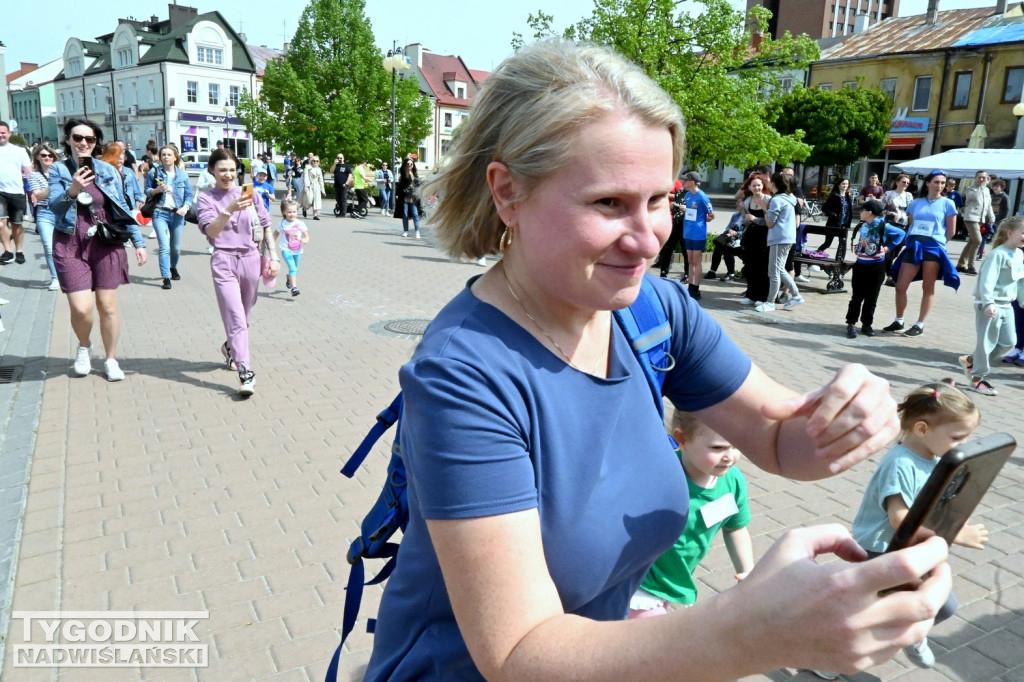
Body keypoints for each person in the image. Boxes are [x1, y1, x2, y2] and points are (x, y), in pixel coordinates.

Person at [363, 40, 951, 682]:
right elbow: (518, 656)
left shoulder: (650, 313)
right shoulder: (466, 375)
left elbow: (783, 440)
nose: (648, 239)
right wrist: (752, 632)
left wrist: (855, 409)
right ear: (508, 193)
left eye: (659, 199)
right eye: (609, 203)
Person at [848, 382, 984, 670]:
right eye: (958, 437)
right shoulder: (899, 464)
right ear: (923, 430)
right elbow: (900, 519)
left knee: (938, 606)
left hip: (911, 548)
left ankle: (906, 632)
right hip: (881, 550)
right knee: (880, 613)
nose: (962, 445)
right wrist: (955, 533)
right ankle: (838, 660)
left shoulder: (933, 457)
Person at [48, 118, 148, 381]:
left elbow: (121, 207)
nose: (83, 143)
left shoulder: (108, 170)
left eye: (89, 139)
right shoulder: (59, 170)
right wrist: (73, 188)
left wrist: (138, 242)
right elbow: (55, 207)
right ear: (68, 139)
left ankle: (111, 359)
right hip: (70, 241)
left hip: (105, 242)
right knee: (81, 308)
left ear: (95, 143)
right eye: (77, 138)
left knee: (108, 307)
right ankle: (84, 347)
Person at [628, 409, 753, 617]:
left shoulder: (733, 481)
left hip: (675, 582)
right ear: (682, 439)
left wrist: (749, 572)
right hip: (639, 583)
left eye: (736, 445)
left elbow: (735, 528)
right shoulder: (659, 475)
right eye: (718, 447)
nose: (730, 457)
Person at [195, 148, 279, 397]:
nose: (228, 175)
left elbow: (265, 225)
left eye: (232, 170)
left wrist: (273, 256)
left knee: (246, 313)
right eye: (222, 170)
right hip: (223, 261)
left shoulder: (248, 192)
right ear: (212, 170)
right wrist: (229, 208)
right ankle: (246, 372)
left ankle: (230, 348)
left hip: (251, 259)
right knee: (235, 316)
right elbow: (211, 231)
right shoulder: (206, 198)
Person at [883, 170, 960, 338]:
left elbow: (951, 231)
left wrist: (938, 243)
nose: (939, 185)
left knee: (928, 287)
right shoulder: (916, 203)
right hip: (914, 245)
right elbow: (911, 225)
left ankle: (919, 324)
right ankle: (899, 320)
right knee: (900, 286)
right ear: (927, 183)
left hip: (933, 248)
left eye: (942, 183)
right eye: (936, 182)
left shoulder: (948, 204)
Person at [956, 216, 1024, 396]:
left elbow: (1020, 282)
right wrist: (988, 303)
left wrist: (1022, 301)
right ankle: (977, 379)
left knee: (1009, 342)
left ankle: (971, 360)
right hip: (989, 305)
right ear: (1010, 233)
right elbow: (987, 282)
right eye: (1023, 232)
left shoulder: (1019, 254)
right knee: (986, 343)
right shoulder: (997, 254)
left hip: (1007, 305)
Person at [845, 200, 905, 339]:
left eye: (862, 210)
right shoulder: (863, 224)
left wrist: (888, 248)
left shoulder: (884, 225)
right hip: (860, 265)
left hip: (877, 266)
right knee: (857, 296)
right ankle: (851, 323)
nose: (860, 212)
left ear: (869, 212)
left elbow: (901, 234)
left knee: (871, 298)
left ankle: (867, 324)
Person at [144, 145, 194, 290]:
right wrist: (156, 190)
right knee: (164, 247)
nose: (166, 157)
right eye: (163, 154)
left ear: (175, 157)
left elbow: (189, 195)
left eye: (169, 154)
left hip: (177, 214)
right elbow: (147, 191)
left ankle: (173, 267)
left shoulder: (182, 175)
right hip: (160, 213)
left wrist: (186, 207)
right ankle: (166, 277)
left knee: (176, 248)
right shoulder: (155, 172)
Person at [761, 170, 802, 312]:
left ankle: (770, 302)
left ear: (774, 184)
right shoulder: (788, 198)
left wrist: (765, 210)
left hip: (779, 238)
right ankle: (796, 295)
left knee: (773, 272)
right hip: (787, 238)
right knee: (780, 269)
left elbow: (770, 223)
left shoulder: (777, 200)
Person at [28, 143, 62, 290]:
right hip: (45, 213)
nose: (47, 158)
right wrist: (52, 185)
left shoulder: (62, 171)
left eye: (50, 155)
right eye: (44, 155)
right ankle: (55, 278)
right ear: (38, 157)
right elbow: (38, 195)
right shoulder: (34, 175)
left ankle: (68, 274)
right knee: (49, 247)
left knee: (68, 247)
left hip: (63, 212)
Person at [0, 120, 33, 265]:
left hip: (17, 192)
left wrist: (33, 192)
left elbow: (29, 173)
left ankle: (19, 250)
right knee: (0, 223)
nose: (1, 135)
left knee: (17, 224)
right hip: (0, 192)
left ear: (9, 134)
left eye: (3, 133)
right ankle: (7, 251)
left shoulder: (19, 151)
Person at [678, 171, 714, 300]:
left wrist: (705, 218)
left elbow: (711, 214)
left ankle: (695, 289)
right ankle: (690, 286)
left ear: (692, 182)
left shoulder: (702, 196)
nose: (683, 182)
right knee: (690, 260)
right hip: (688, 231)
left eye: (685, 180)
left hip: (698, 233)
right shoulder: (688, 195)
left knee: (696, 261)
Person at [738, 175, 771, 306]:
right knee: (750, 266)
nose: (757, 188)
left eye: (759, 185)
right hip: (751, 236)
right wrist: (747, 219)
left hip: (765, 236)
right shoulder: (747, 201)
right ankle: (751, 295)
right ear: (749, 187)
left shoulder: (768, 200)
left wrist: (756, 220)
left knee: (763, 267)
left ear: (763, 186)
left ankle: (762, 297)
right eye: (754, 185)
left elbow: (772, 220)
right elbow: (744, 219)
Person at [956, 170, 994, 275]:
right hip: (970, 218)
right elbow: (975, 196)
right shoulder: (970, 189)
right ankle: (971, 266)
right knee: (978, 241)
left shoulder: (986, 190)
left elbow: (988, 205)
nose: (981, 179)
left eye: (984, 177)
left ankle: (960, 264)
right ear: (975, 178)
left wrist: (991, 217)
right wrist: (984, 185)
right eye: (979, 177)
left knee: (972, 242)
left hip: (980, 219)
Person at [880, 174, 913, 286]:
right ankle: (889, 277)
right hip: (890, 225)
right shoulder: (889, 194)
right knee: (889, 251)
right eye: (903, 182)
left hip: (903, 227)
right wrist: (891, 213)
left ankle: (883, 270)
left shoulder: (908, 196)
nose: (906, 184)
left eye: (908, 183)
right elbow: (880, 210)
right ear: (897, 182)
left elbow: (911, 212)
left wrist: (911, 226)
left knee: (895, 253)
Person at [274, 200, 309, 297]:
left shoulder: (300, 223)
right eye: (289, 212)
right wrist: (271, 248)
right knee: (293, 268)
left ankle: (289, 278)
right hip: (286, 249)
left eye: (294, 212)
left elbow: (306, 236)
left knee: (294, 268)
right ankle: (294, 288)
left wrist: (305, 240)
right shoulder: (282, 224)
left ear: (297, 212)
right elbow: (274, 235)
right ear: (284, 212)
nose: (292, 214)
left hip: (297, 249)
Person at [101, 141, 144, 213]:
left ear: (124, 159)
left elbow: (136, 187)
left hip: (130, 205)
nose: (119, 161)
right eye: (117, 158)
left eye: (121, 159)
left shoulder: (129, 172)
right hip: (115, 207)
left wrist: (140, 200)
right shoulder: (109, 172)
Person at [705, 205, 744, 282]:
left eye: (739, 202)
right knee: (719, 247)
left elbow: (747, 231)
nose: (736, 203)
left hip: (742, 241)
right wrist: (730, 231)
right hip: (731, 239)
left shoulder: (748, 217)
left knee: (727, 248)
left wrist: (736, 233)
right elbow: (728, 227)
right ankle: (713, 271)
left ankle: (731, 274)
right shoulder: (735, 215)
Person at [817, 176, 853, 252]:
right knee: (827, 243)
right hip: (833, 223)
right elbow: (824, 208)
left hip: (844, 224)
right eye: (843, 184)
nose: (845, 186)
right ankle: (816, 254)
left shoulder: (848, 196)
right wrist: (833, 215)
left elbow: (849, 210)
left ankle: (839, 260)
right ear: (838, 185)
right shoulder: (834, 195)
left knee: (842, 244)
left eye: (847, 184)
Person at [397, 158, 421, 238]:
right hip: (405, 198)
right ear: (405, 165)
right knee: (405, 214)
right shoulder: (403, 176)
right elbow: (401, 186)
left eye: (411, 164)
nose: (409, 166)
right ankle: (406, 231)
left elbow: (418, 185)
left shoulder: (415, 175)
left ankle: (417, 231)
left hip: (413, 198)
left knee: (415, 214)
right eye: (408, 164)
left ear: (413, 165)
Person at [301, 156, 325, 220]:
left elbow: (321, 180)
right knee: (309, 201)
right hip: (309, 186)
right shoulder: (307, 168)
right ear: (311, 161)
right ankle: (304, 208)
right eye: (314, 161)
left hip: (316, 186)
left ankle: (315, 215)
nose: (315, 162)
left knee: (316, 201)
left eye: (317, 161)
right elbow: (305, 178)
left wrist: (323, 190)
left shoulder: (319, 169)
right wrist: (306, 187)